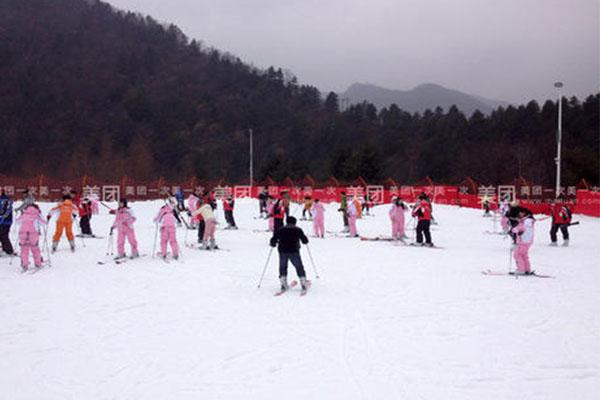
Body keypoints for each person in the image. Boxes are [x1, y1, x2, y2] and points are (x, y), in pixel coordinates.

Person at [270, 216, 309, 292]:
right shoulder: (298, 229)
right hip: (294, 250)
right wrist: (305, 241)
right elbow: (304, 240)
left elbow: (273, 239)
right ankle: (303, 281)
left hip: (282, 251)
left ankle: (283, 282)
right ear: (294, 222)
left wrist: (273, 243)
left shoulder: (280, 229)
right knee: (299, 266)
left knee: (283, 266)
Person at [16, 204, 47, 271]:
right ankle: (38, 263)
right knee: (35, 249)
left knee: (24, 250)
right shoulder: (37, 215)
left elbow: (17, 222)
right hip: (33, 234)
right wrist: (41, 215)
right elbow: (44, 223)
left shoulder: (23, 215)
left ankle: (25, 264)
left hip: (23, 234)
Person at [511, 208, 535, 274]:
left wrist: (516, 229)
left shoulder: (527, 220)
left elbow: (524, 228)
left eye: (521, 212)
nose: (520, 214)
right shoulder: (526, 220)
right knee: (523, 255)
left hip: (524, 240)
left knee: (517, 254)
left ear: (525, 213)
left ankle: (521, 269)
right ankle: (527, 269)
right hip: (526, 240)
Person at [0, 190, 15, 255]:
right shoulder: (5, 200)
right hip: (5, 221)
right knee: (3, 235)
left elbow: (6, 211)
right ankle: (6, 249)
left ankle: (9, 250)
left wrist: (1, 219)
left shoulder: (5, 200)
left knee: (4, 236)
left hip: (5, 221)